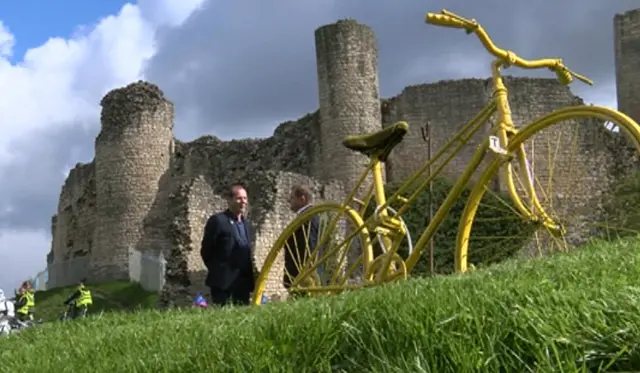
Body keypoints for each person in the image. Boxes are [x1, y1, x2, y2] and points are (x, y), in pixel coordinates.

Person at [200, 183, 257, 306]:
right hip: (223, 283)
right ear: (229, 200)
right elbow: (206, 250)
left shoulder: (247, 225)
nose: (243, 202)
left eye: (245, 198)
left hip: (243, 283)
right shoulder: (218, 221)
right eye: (239, 198)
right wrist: (217, 269)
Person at [284, 185, 321, 290]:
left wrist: (306, 273)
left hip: (302, 276)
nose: (288, 201)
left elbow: (309, 245)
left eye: (292, 198)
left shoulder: (308, 217)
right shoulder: (310, 216)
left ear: (302, 199)